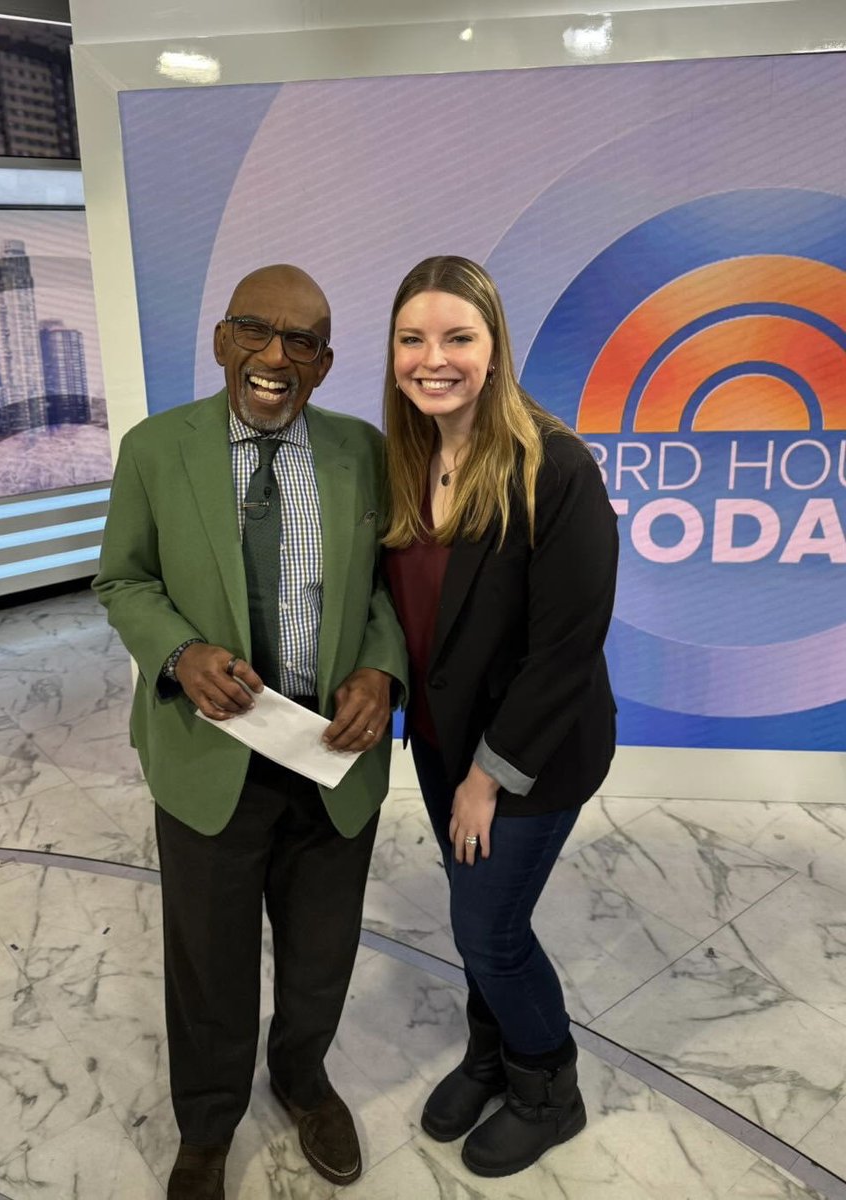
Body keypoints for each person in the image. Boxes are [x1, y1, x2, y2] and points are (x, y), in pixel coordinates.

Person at [94, 264, 407, 1200]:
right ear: (223, 339)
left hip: (331, 757)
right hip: (208, 757)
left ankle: (304, 1083)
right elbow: (123, 580)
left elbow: (393, 590)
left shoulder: (364, 452)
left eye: (300, 342)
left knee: (323, 949)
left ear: (324, 363)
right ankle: (207, 1125)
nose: (276, 357)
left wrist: (381, 668)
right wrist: (180, 650)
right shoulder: (157, 448)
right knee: (209, 958)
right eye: (255, 332)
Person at [382, 255, 618, 1179]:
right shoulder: (407, 458)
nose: (432, 358)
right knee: (473, 911)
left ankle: (546, 1087)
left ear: (495, 346)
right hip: (441, 740)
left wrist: (487, 778)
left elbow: (566, 650)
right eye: (412, 338)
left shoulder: (552, 466)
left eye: (456, 338)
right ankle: (488, 1056)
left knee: (490, 931)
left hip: (529, 753)